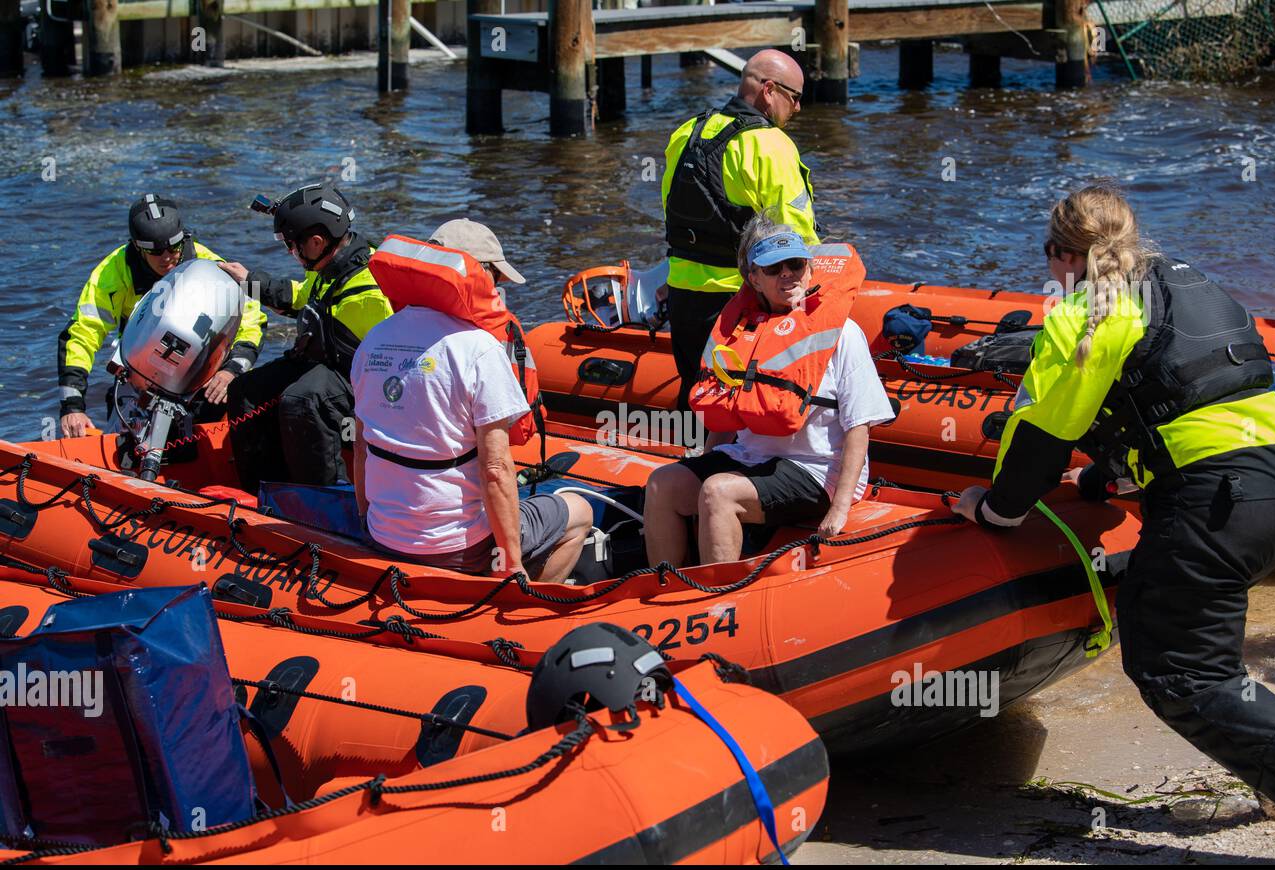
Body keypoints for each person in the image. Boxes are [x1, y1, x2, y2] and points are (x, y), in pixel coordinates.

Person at [952, 183, 1275, 816]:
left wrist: (994, 508)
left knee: (1183, 674)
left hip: (1218, 502)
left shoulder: (1084, 312)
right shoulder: (1193, 284)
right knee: (1199, 653)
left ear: (1060, 253)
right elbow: (1168, 395)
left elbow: (1039, 440)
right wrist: (1108, 474)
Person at [643, 217, 894, 567]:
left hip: (816, 469)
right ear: (754, 278)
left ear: (810, 271)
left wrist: (839, 509)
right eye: (774, 268)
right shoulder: (739, 330)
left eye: (796, 264)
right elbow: (727, 406)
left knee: (719, 492)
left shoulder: (842, 333)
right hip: (751, 456)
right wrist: (704, 462)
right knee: (662, 484)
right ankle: (666, 589)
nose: (787, 274)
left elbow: (860, 424)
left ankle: (717, 603)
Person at [351, 237, 591, 583]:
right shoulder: (478, 348)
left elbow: (361, 448)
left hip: (382, 535)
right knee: (579, 512)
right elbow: (495, 469)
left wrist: (365, 521)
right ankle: (519, 607)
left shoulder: (373, 341)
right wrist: (511, 563)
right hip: (460, 547)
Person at [661, 48, 820, 410]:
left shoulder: (687, 131)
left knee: (696, 396)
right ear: (769, 90)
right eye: (793, 97)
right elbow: (795, 234)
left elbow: (670, 209)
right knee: (739, 405)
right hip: (737, 302)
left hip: (682, 296)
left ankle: (692, 463)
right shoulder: (769, 145)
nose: (797, 108)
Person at [218, 183, 392, 491]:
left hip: (369, 381)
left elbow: (391, 365)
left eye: (291, 245)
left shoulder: (372, 292)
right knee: (246, 390)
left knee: (304, 400)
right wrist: (250, 281)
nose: (289, 252)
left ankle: (327, 503)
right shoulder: (327, 264)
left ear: (315, 242)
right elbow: (302, 299)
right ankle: (264, 494)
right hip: (331, 362)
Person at [57, 194, 266, 438]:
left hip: (206, 375)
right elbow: (83, 333)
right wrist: (72, 406)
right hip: (139, 373)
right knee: (122, 439)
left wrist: (232, 370)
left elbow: (253, 320)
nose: (167, 257)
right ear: (137, 247)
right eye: (155, 251)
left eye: (173, 247)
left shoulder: (212, 267)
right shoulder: (112, 272)